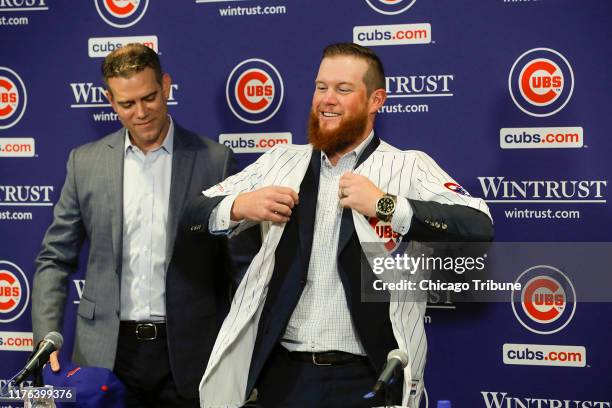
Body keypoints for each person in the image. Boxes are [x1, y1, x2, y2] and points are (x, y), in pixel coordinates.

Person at [184, 43, 494, 408]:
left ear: (376, 100)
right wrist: (239, 206)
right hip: (282, 377)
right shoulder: (280, 161)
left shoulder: (409, 166)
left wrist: (386, 205)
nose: (327, 100)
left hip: (367, 378)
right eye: (321, 87)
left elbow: (478, 226)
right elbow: (192, 214)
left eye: (343, 89)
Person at [32, 43, 234, 407]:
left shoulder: (215, 161)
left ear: (167, 85)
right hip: (105, 354)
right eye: (127, 104)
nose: (141, 113)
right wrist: (47, 334)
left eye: (150, 97)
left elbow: (239, 268)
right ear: (110, 100)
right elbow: (54, 258)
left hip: (188, 354)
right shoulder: (85, 162)